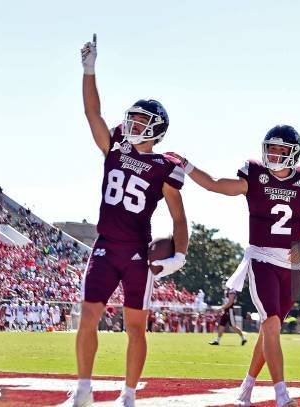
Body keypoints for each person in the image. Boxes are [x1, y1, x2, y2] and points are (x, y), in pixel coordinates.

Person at [63, 34, 189, 407]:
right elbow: (93, 113)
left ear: (156, 127)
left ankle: (128, 394)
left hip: (136, 251)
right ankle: (83, 387)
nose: (131, 124)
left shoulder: (165, 166)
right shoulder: (115, 147)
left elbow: (179, 216)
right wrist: (89, 70)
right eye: (131, 118)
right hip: (104, 245)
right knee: (89, 315)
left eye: (139, 120)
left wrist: (179, 254)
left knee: (136, 325)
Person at [168, 124, 300, 407]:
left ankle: (246, 387)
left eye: (281, 149)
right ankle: (281, 395)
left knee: (268, 331)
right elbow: (216, 184)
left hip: (291, 266)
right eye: (271, 148)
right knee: (273, 324)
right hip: (262, 257)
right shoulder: (255, 173)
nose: (275, 155)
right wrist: (187, 165)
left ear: (294, 153)